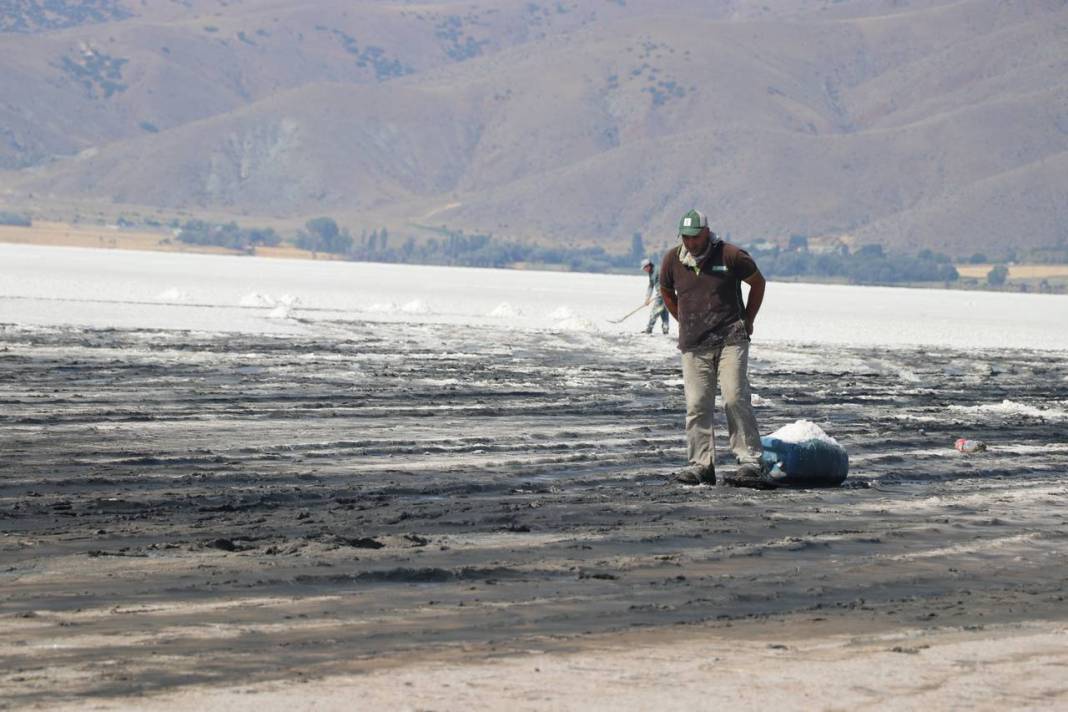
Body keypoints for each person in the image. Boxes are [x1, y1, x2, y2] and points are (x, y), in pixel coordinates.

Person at [659, 209, 773, 488]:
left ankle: (749, 462)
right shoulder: (672, 259)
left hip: (731, 338)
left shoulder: (731, 255)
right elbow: (666, 291)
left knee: (734, 397)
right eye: (686, 238)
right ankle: (701, 465)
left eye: (696, 237)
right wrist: (684, 321)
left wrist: (748, 319)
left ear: (707, 233)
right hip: (694, 344)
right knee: (697, 404)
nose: (691, 243)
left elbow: (758, 282)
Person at [640, 258, 670, 335]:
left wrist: (662, 292)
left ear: (648, 266)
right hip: (661, 294)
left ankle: (649, 329)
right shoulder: (651, 273)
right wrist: (647, 298)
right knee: (663, 311)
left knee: (655, 311)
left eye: (644, 268)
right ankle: (665, 330)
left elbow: (665, 282)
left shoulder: (658, 271)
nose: (644, 270)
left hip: (663, 294)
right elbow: (651, 285)